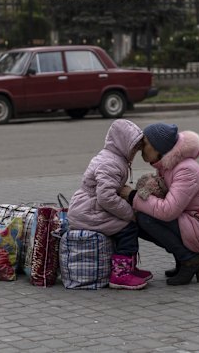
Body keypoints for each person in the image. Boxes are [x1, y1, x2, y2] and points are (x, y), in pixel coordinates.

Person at [120, 123, 199, 285]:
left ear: (158, 147)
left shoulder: (186, 169)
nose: (142, 148)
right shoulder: (169, 166)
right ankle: (182, 257)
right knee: (139, 221)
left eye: (145, 144)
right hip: (193, 221)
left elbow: (168, 211)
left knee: (145, 219)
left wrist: (133, 196)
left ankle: (190, 261)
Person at [67, 119, 151, 290]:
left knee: (125, 226)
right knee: (127, 228)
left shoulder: (112, 158)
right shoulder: (110, 163)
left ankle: (129, 267)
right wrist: (130, 212)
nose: (135, 152)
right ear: (123, 144)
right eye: (134, 148)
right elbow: (106, 197)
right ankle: (121, 275)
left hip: (90, 208)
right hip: (89, 211)